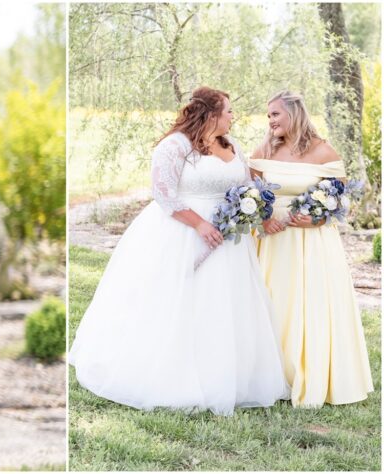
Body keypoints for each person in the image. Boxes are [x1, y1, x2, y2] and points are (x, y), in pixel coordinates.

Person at [68, 86, 290, 416]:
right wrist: (200, 225)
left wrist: (255, 214)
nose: (233, 117)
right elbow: (164, 194)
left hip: (229, 238)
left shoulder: (232, 146)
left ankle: (228, 376)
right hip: (181, 231)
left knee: (224, 305)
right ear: (211, 114)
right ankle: (175, 375)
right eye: (228, 110)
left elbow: (245, 187)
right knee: (176, 300)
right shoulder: (175, 146)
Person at [249, 90, 373, 408]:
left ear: (294, 114)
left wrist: (318, 220)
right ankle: (269, 376)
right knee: (271, 302)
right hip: (273, 241)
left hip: (312, 244)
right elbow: (248, 193)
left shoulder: (323, 151)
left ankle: (307, 373)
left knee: (309, 304)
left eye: (275, 113)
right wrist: (264, 219)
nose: (270, 120)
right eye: (269, 115)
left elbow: (341, 198)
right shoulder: (264, 149)